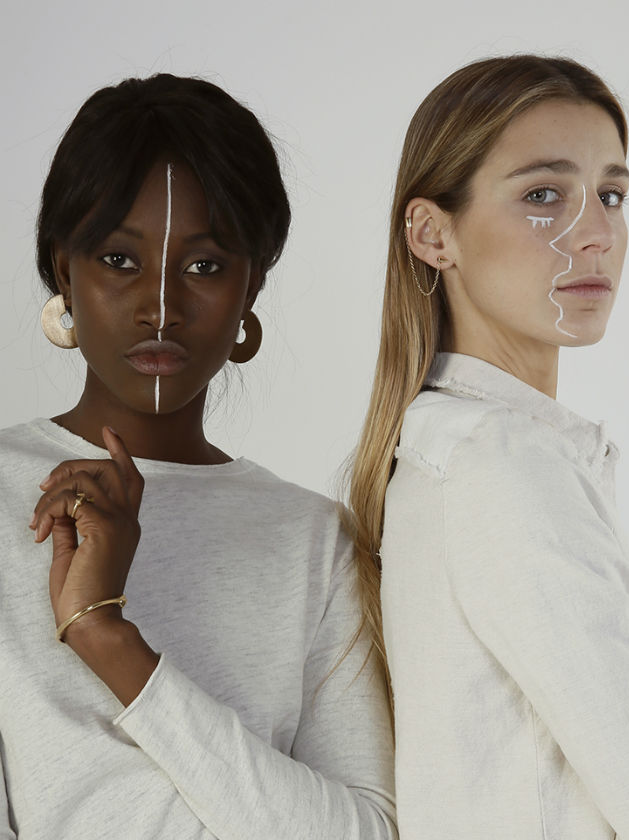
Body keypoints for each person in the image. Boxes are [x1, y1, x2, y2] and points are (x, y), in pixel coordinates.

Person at [0, 74, 396, 839]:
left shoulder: (317, 542)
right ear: (64, 271)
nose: (160, 306)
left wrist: (106, 635)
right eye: (120, 260)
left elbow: (367, 830)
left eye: (205, 265)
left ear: (253, 286)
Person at [348, 55, 629, 838]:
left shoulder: (455, 450)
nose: (597, 235)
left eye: (611, 195)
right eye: (544, 195)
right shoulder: (503, 462)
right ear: (432, 233)